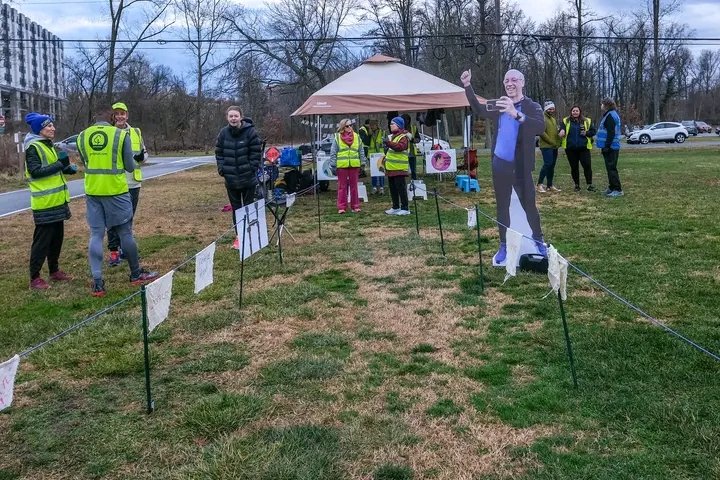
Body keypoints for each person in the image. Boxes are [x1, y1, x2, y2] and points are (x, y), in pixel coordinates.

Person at [460, 68, 547, 263]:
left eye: (514, 80)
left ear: (522, 82)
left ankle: (539, 240)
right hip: (500, 165)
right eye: (506, 80)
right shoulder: (499, 104)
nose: (509, 83)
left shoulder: (532, 106)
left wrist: (515, 113)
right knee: (502, 207)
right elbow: (479, 109)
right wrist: (468, 86)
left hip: (521, 166)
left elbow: (540, 127)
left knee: (529, 205)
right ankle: (503, 245)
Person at [76, 108, 159, 297]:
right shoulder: (120, 135)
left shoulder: (82, 137)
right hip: (116, 191)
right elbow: (130, 166)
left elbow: (85, 161)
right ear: (112, 118)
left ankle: (98, 283)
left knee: (96, 235)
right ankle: (135, 274)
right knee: (125, 232)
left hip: (93, 191)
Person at [24, 113, 77, 290]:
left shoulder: (49, 145)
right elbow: (35, 171)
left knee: (57, 239)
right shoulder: (33, 147)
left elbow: (53, 168)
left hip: (57, 201)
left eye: (52, 125)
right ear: (40, 129)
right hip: (45, 203)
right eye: (48, 126)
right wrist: (60, 165)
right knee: (42, 241)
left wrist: (67, 168)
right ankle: (35, 277)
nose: (53, 128)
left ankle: (54, 270)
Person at [215, 106, 263, 248]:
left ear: (241, 117)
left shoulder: (251, 132)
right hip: (231, 180)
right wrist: (222, 169)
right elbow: (219, 152)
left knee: (248, 207)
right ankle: (239, 236)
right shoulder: (223, 133)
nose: (233, 118)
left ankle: (251, 236)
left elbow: (256, 153)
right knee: (236, 210)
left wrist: (251, 168)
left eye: (236, 116)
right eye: (231, 116)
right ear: (227, 118)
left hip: (248, 178)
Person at [107, 101, 147, 266]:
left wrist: (141, 158)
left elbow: (145, 154)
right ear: (113, 116)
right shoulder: (108, 133)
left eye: (122, 113)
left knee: (128, 218)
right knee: (113, 219)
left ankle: (126, 249)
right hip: (115, 183)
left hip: (133, 183)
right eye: (116, 113)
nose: (120, 116)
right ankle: (114, 251)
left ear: (127, 115)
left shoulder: (136, 132)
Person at [329, 119, 366, 214]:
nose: (350, 127)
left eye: (351, 125)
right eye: (347, 126)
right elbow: (333, 152)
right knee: (342, 187)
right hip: (342, 166)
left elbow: (361, 150)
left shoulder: (357, 137)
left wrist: (363, 163)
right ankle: (342, 207)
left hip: (354, 165)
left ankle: (355, 206)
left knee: (354, 187)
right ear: (342, 127)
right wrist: (333, 165)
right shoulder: (337, 137)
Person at [560, 105, 596, 192]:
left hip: (584, 148)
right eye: (573, 111)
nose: (575, 112)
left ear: (580, 112)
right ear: (571, 112)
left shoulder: (587, 121)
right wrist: (561, 131)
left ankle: (589, 185)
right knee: (574, 167)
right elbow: (562, 129)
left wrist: (587, 133)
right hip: (570, 149)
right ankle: (577, 185)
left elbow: (593, 131)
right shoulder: (565, 121)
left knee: (587, 166)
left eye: (577, 111)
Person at [383, 116, 411, 216]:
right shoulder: (391, 136)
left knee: (401, 189)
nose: (390, 125)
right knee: (393, 189)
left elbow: (400, 147)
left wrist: (388, 143)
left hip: (399, 168)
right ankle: (395, 207)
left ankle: (405, 208)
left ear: (399, 126)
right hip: (391, 168)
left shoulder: (403, 137)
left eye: (392, 124)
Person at [597, 98, 623, 197]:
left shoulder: (610, 116)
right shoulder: (610, 114)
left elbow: (611, 133)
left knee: (612, 168)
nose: (601, 106)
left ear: (606, 105)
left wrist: (606, 146)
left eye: (602, 104)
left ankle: (617, 189)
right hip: (610, 146)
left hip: (611, 147)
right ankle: (611, 187)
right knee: (609, 168)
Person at [536, 101, 562, 193]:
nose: (552, 110)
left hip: (554, 146)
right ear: (546, 109)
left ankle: (549, 185)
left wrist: (559, 140)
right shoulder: (542, 117)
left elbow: (555, 133)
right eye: (550, 109)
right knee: (547, 164)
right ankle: (539, 184)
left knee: (552, 165)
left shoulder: (553, 119)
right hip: (546, 146)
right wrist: (551, 142)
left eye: (553, 109)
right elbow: (541, 132)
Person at [360, 119, 385, 194]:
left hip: (380, 155)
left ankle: (381, 187)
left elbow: (386, 142)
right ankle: (374, 187)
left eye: (373, 125)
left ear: (377, 125)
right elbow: (366, 143)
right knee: (374, 172)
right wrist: (369, 135)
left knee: (381, 171)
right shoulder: (368, 133)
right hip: (372, 155)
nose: (372, 127)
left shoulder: (382, 132)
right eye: (370, 125)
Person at [401, 113, 421, 180]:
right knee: (402, 170)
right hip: (402, 152)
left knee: (413, 170)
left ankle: (414, 181)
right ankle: (403, 182)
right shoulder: (399, 129)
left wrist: (413, 139)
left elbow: (418, 139)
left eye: (406, 120)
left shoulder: (413, 128)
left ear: (409, 120)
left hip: (412, 152)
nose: (405, 122)